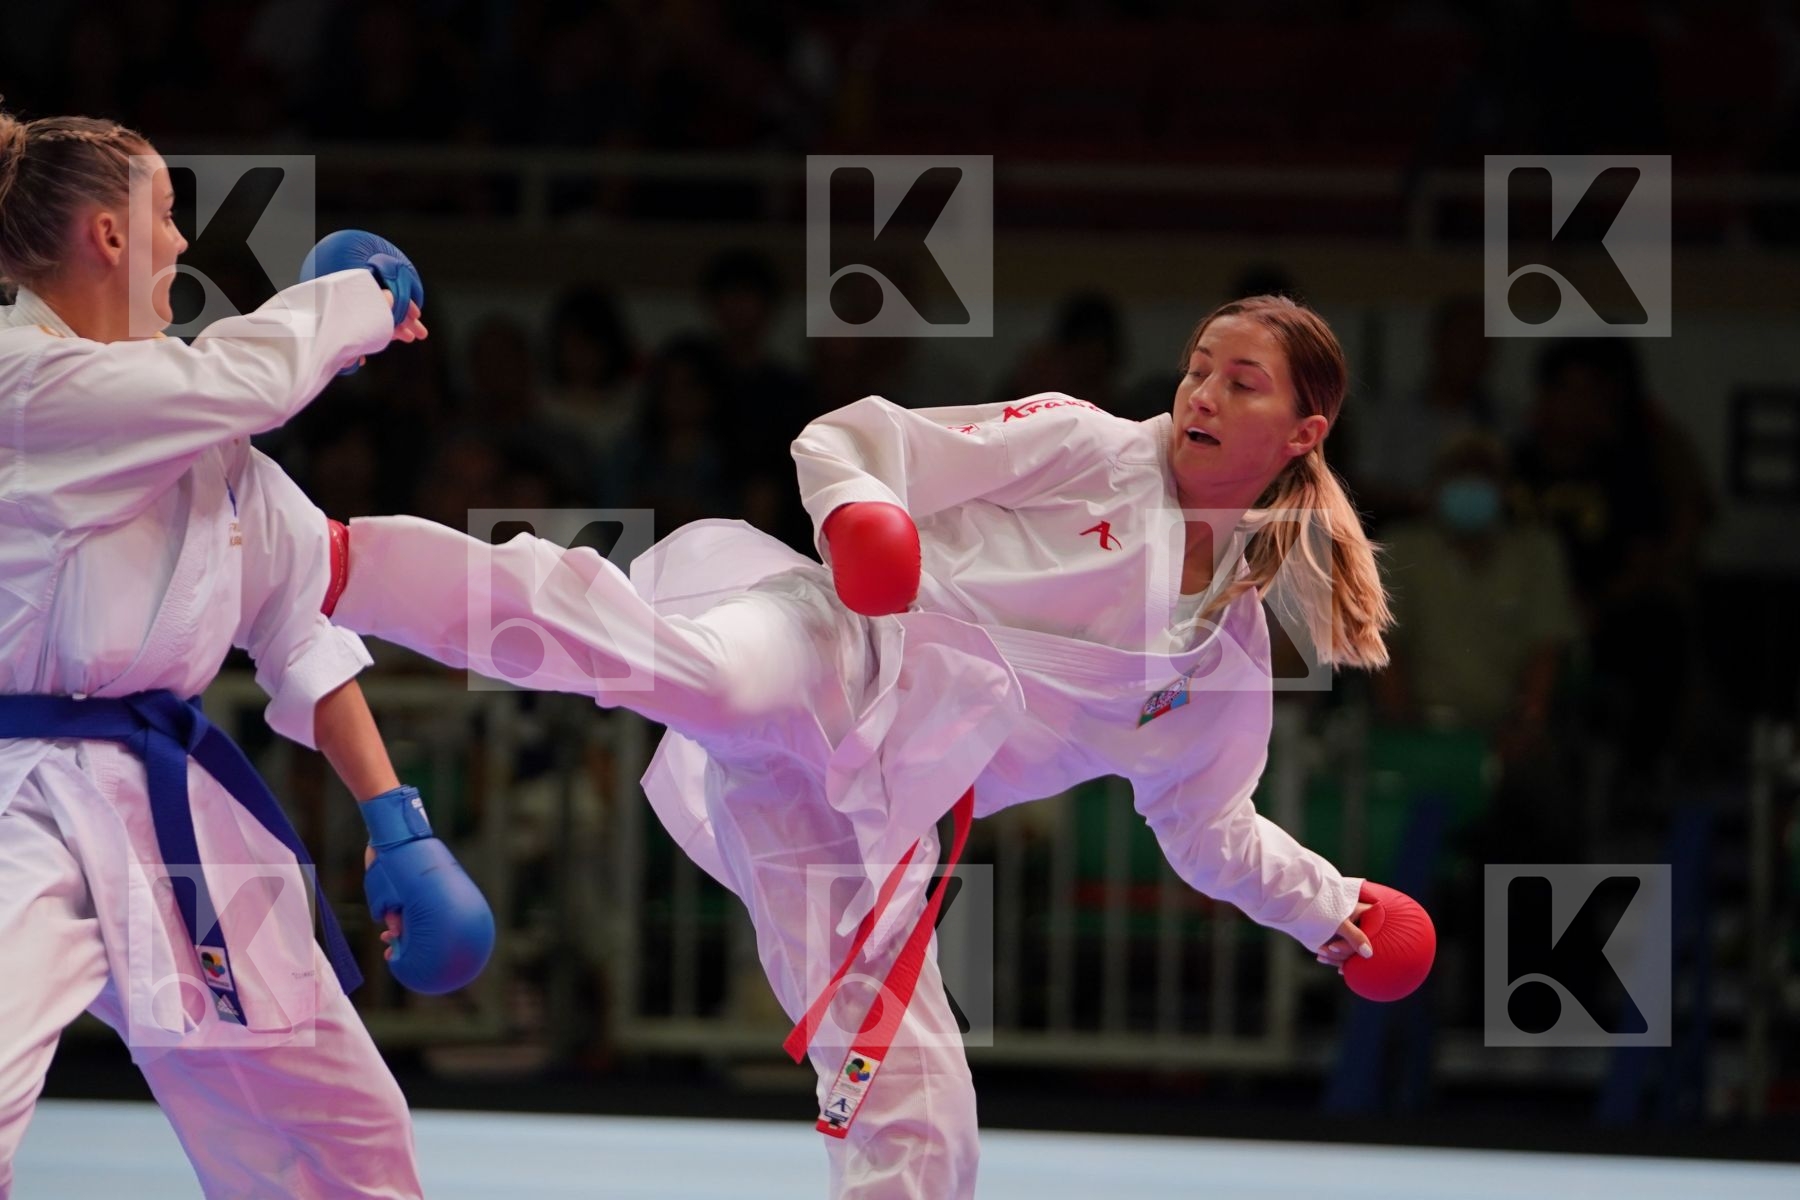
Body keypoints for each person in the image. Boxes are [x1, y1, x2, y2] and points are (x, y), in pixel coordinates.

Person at [328, 295, 1397, 1198]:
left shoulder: (1224, 657)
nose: (1201, 394)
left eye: (1241, 383)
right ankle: (344, 568)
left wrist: (1330, 911)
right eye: (1199, 368)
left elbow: (1206, 824)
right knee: (695, 670)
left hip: (867, 820)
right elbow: (852, 440)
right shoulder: (1086, 444)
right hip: (823, 644)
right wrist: (858, 519)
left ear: (1305, 431)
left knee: (927, 1116)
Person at [0, 107, 490, 1199]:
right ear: (109, 238)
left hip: (167, 803)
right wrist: (359, 299)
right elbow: (247, 380)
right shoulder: (21, 385)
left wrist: (394, 820)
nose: (181, 244)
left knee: (338, 1129)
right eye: (166, 217)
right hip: (19, 800)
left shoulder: (200, 435)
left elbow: (297, 620)